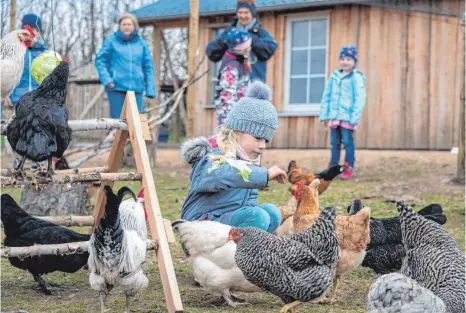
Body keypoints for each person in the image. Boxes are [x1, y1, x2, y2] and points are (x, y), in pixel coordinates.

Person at [180, 81, 286, 233]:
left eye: (266, 140)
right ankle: (240, 254)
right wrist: (264, 174)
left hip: (226, 225)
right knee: (259, 217)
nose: (263, 145)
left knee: (272, 214)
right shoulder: (213, 156)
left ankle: (250, 253)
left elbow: (249, 203)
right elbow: (223, 174)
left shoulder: (249, 161)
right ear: (236, 133)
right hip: (199, 228)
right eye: (258, 138)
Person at [319, 46, 367, 180]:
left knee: (348, 142)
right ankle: (333, 167)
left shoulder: (356, 78)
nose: (345, 62)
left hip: (348, 118)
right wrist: (325, 115)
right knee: (335, 143)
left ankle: (348, 167)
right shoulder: (334, 76)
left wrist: (355, 117)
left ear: (354, 62)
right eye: (342, 59)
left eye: (348, 59)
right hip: (335, 117)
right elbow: (326, 96)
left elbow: (360, 98)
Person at [95, 12, 155, 118]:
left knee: (136, 120)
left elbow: (148, 67)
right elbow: (100, 61)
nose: (126, 27)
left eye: (129, 24)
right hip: (116, 88)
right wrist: (107, 80)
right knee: (118, 122)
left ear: (135, 26)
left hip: (136, 88)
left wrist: (150, 89)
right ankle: (114, 134)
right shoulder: (111, 41)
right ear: (119, 26)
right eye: (124, 24)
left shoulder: (142, 44)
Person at [8, 13, 47, 169]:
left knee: (39, 129)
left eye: (36, 30)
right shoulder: (14, 50)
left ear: (39, 32)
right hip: (19, 96)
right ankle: (18, 160)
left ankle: (38, 162)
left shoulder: (45, 53)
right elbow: (7, 73)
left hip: (39, 98)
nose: (33, 33)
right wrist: (6, 94)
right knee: (18, 129)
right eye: (29, 29)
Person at [206, 0, 277, 82]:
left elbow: (270, 49)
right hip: (231, 84)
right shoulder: (229, 32)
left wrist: (250, 39)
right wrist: (224, 41)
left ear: (252, 14)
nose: (243, 16)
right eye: (240, 12)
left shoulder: (260, 33)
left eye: (246, 12)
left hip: (253, 83)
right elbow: (211, 53)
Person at [214, 29, 252, 126]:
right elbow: (226, 96)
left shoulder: (240, 61)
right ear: (238, 48)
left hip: (240, 114)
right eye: (246, 46)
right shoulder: (231, 67)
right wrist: (231, 122)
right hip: (231, 118)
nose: (249, 48)